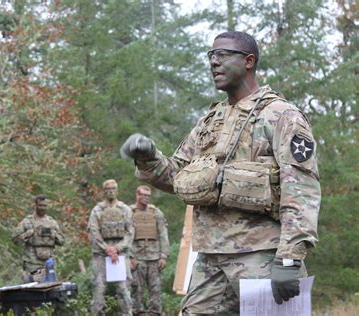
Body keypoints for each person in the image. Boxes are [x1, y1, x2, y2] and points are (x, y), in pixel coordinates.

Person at [121, 31, 321, 314]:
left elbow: (302, 190)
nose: (214, 62)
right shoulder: (210, 120)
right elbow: (178, 176)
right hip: (211, 259)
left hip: (261, 254)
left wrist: (289, 257)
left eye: (223, 55)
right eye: (211, 55)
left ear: (249, 61)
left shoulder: (280, 115)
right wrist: (148, 157)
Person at [87, 179, 134, 315]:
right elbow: (94, 231)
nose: (111, 191)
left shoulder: (125, 209)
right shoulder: (97, 210)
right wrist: (106, 248)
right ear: (104, 192)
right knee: (99, 289)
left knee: (123, 289)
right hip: (101, 255)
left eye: (113, 189)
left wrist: (117, 248)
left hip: (120, 255)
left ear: (117, 190)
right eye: (108, 189)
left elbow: (130, 231)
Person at [129, 185, 169, 316]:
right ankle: (137, 312)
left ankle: (155, 313)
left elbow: (163, 234)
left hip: (154, 257)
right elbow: (125, 236)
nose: (146, 198)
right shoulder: (129, 212)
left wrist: (163, 256)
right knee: (136, 289)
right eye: (144, 195)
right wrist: (130, 257)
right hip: (137, 257)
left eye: (148, 196)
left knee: (155, 289)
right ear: (137, 195)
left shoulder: (156, 212)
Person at [12, 194, 65, 283]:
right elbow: (15, 239)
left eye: (45, 206)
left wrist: (54, 235)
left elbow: (62, 241)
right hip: (32, 265)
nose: (42, 208)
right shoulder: (27, 222)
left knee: (49, 291)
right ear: (35, 205)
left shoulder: (52, 222)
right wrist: (26, 235)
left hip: (48, 264)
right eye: (40, 205)